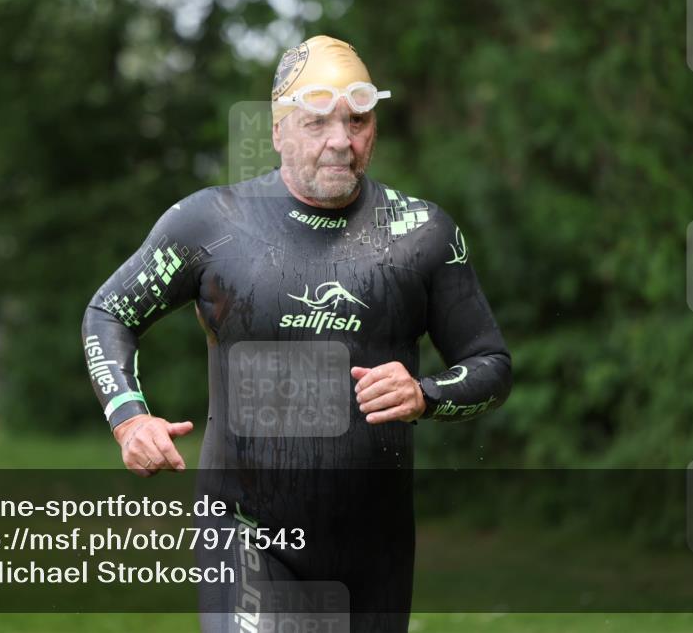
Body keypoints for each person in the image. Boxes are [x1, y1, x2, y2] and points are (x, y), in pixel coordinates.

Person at [82, 35, 512, 632]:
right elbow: (109, 312)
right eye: (317, 123)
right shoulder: (214, 222)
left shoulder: (421, 233)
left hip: (374, 547)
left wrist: (426, 394)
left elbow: (491, 364)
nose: (341, 140)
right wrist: (130, 416)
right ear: (279, 130)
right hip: (247, 532)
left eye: (358, 121)